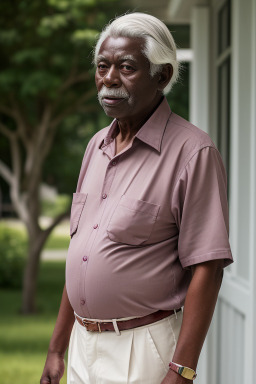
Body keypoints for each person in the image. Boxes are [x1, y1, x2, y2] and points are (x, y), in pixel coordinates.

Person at [40, 12, 233, 384]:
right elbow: (81, 252)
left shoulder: (193, 152)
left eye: (126, 66)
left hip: (142, 349)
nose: (109, 78)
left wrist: (182, 370)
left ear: (161, 76)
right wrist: (56, 347)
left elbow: (208, 269)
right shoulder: (95, 146)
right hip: (83, 343)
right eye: (102, 65)